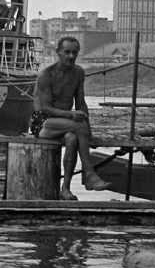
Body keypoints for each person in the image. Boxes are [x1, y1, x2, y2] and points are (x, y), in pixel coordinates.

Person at [32, 36, 109, 197]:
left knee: (72, 139)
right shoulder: (46, 75)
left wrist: (89, 134)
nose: (71, 56)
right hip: (43, 123)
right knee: (78, 126)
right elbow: (45, 108)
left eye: (74, 52)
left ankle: (65, 189)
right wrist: (71, 115)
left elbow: (81, 103)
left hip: (64, 122)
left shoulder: (78, 73)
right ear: (58, 52)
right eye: (67, 52)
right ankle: (89, 173)